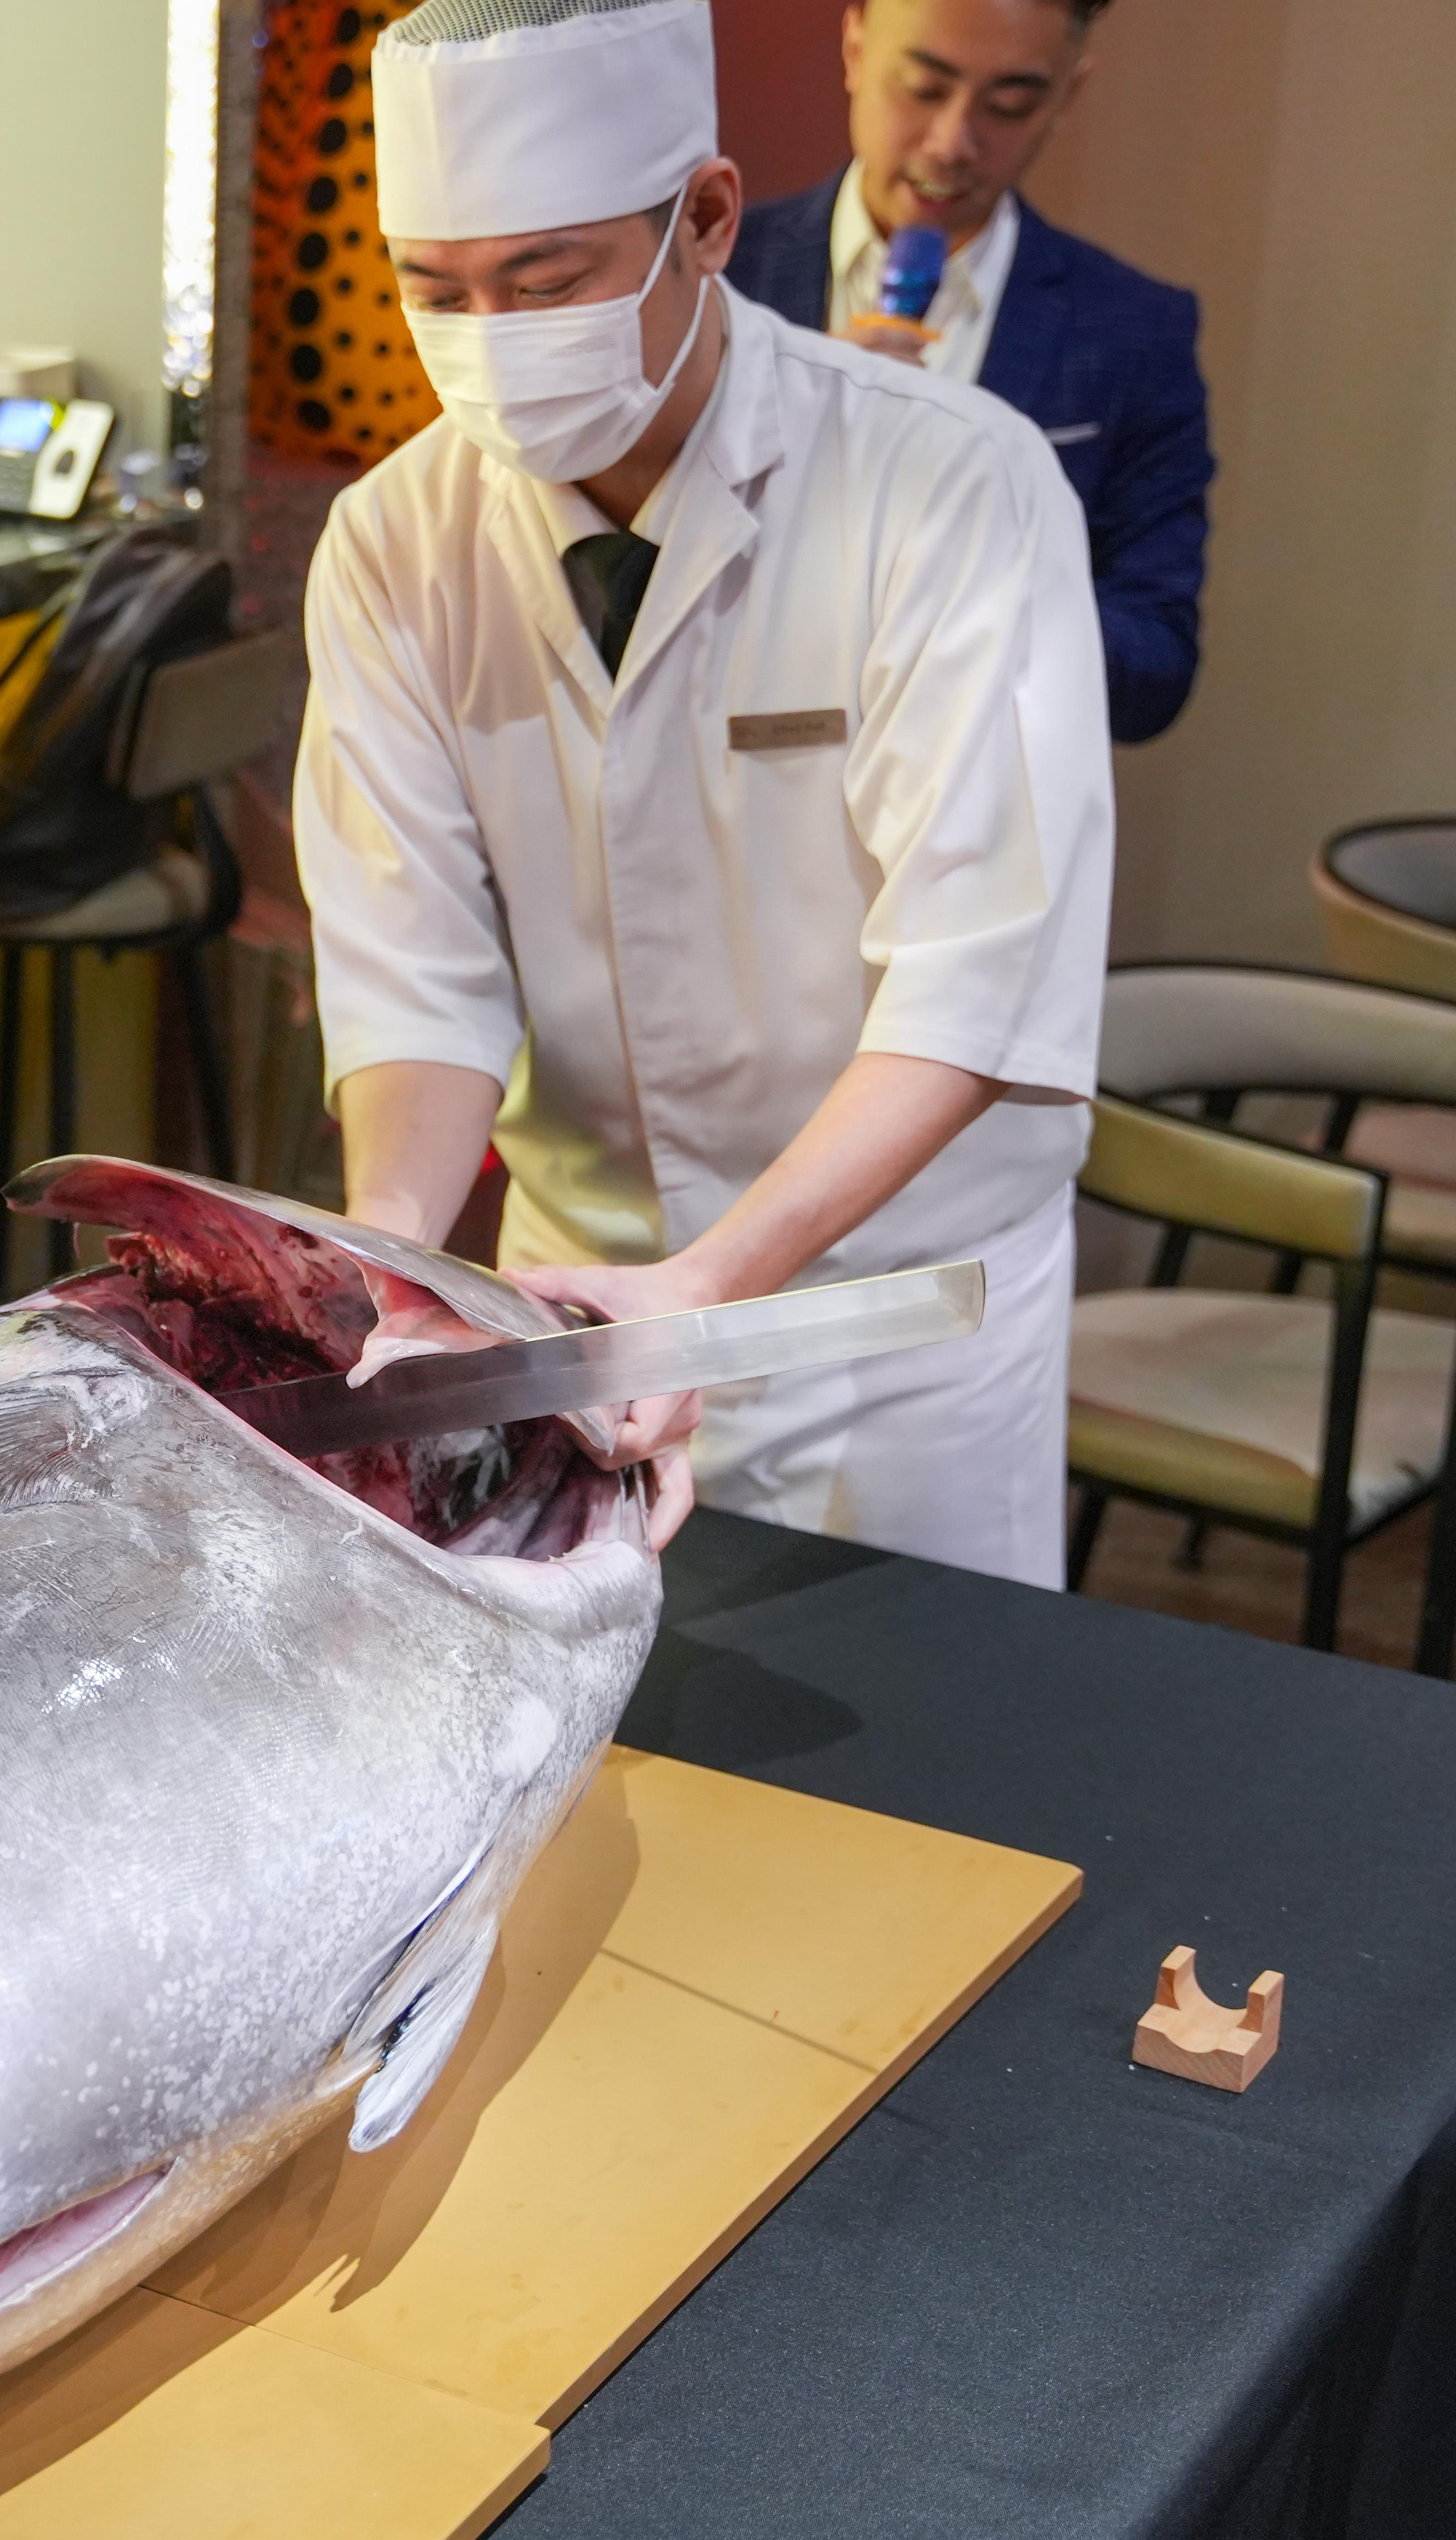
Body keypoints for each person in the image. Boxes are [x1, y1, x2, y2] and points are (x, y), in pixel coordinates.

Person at [300, 0, 1110, 1587]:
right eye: (438, 293)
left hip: (877, 1318)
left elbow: (976, 969)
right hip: (571, 1312)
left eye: (545, 283)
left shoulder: (946, 483)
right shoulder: (394, 543)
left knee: (925, 1796)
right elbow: (416, 977)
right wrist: (392, 1272)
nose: (493, 338)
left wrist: (719, 1278)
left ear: (706, 219)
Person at [727, 0, 1214, 744]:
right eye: (923, 89)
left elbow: (1154, 672)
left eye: (1009, 105)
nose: (952, 142)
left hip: (979, 831)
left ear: (1066, 96)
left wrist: (972, 583)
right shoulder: (715, 280)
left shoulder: (1132, 332)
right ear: (854, 46)